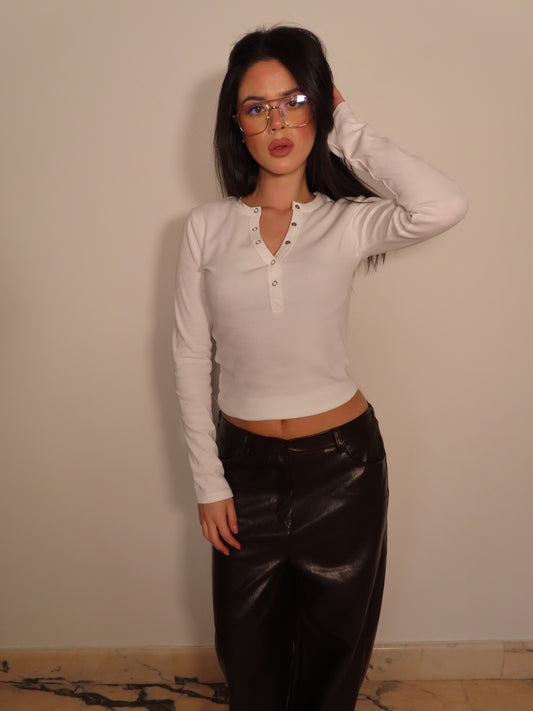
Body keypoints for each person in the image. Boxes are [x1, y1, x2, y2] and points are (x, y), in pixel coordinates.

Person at [173, 25, 467, 711]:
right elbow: (188, 354)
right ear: (235, 124)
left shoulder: (348, 222)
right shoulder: (205, 227)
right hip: (243, 473)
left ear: (317, 109)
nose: (277, 122)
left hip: (343, 472)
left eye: (294, 101)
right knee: (249, 666)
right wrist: (208, 480)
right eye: (257, 107)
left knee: (333, 670)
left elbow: (443, 204)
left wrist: (347, 126)